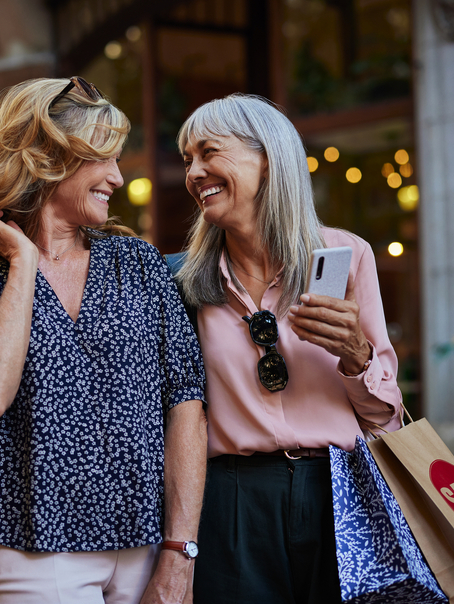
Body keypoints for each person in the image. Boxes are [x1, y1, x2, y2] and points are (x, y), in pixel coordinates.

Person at [0, 77, 208, 604]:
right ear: (49, 158)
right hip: (34, 546)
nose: (120, 179)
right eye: (105, 160)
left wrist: (180, 551)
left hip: (146, 547)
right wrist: (24, 266)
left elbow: (186, 408)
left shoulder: (137, 263)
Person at [172, 94, 403, 603]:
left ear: (268, 158)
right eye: (188, 159)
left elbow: (385, 420)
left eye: (209, 152)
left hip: (339, 494)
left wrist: (357, 356)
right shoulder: (184, 283)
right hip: (232, 500)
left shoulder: (346, 255)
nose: (194, 172)